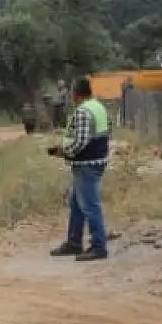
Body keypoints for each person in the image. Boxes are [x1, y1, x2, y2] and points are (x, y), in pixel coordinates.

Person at [48, 76, 112, 261]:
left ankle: (99, 246)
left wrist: (64, 152)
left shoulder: (83, 112)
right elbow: (108, 129)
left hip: (86, 164)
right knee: (76, 203)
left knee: (90, 205)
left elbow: (81, 142)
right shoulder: (98, 107)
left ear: (76, 94)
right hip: (96, 160)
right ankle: (74, 242)